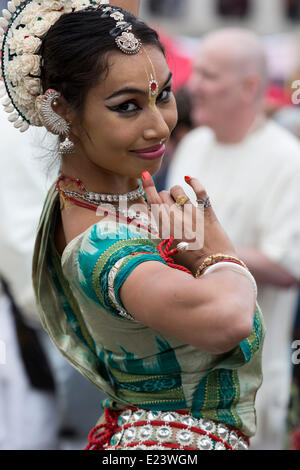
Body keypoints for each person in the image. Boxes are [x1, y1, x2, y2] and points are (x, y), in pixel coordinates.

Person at [1, 1, 264, 451]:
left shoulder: (123, 204)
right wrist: (217, 254)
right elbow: (229, 320)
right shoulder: (101, 242)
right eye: (128, 106)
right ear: (60, 109)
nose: (159, 125)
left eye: (163, 95)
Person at [167, 28, 300, 450]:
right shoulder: (194, 144)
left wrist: (207, 251)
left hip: (249, 382)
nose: (193, 87)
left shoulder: (288, 159)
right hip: (179, 371)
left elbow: (288, 265)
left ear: (249, 86)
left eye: (208, 76)